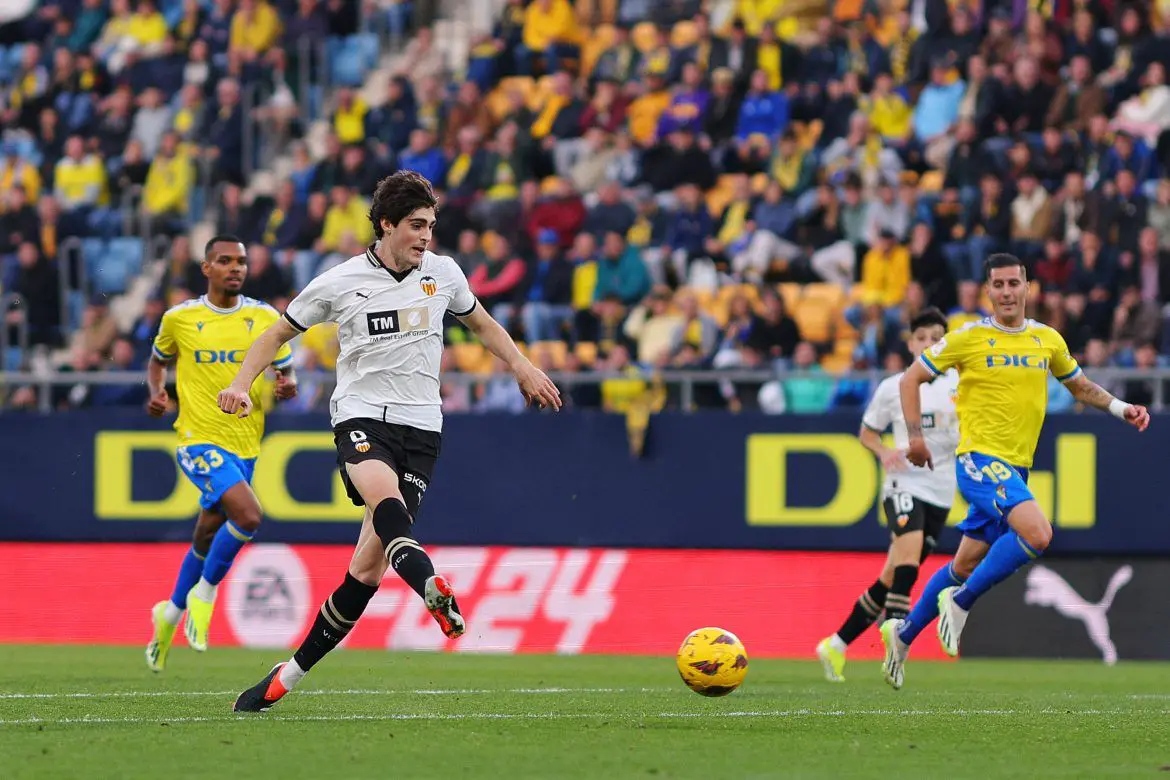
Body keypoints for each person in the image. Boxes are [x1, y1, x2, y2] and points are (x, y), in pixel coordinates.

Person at [217, 171, 561, 712]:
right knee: (386, 502)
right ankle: (428, 584)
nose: (426, 236)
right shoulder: (340, 282)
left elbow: (483, 324)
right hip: (361, 415)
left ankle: (286, 676)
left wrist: (522, 366)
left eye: (431, 225)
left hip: (422, 426)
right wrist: (241, 383)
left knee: (366, 571)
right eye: (417, 225)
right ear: (386, 224)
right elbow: (277, 333)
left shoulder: (443, 273)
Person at [879, 254, 1150, 690]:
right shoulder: (968, 338)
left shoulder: (1047, 339)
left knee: (964, 563)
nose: (1006, 292)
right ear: (988, 291)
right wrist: (915, 438)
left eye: (1013, 283)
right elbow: (910, 379)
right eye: (998, 284)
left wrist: (1122, 408)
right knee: (1038, 533)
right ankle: (961, 604)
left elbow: (1080, 387)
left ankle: (903, 634)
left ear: (1027, 287)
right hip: (978, 461)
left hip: (1015, 470)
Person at [144, 235, 297, 672]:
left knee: (207, 534)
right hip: (197, 438)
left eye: (241, 262)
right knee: (248, 516)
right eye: (225, 261)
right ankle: (205, 594)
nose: (236, 268)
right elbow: (157, 360)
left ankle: (168, 615)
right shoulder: (180, 318)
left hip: (245, 444)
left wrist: (287, 385)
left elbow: (286, 370)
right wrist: (156, 392)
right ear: (206, 268)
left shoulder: (264, 317)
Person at [816, 307, 957, 683]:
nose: (928, 345)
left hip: (942, 491)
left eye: (936, 339)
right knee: (908, 559)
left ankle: (836, 644)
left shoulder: (959, 384)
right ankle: (896, 641)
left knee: (891, 577)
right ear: (911, 344)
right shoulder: (894, 386)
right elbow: (867, 432)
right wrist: (883, 452)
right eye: (922, 338)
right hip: (903, 483)